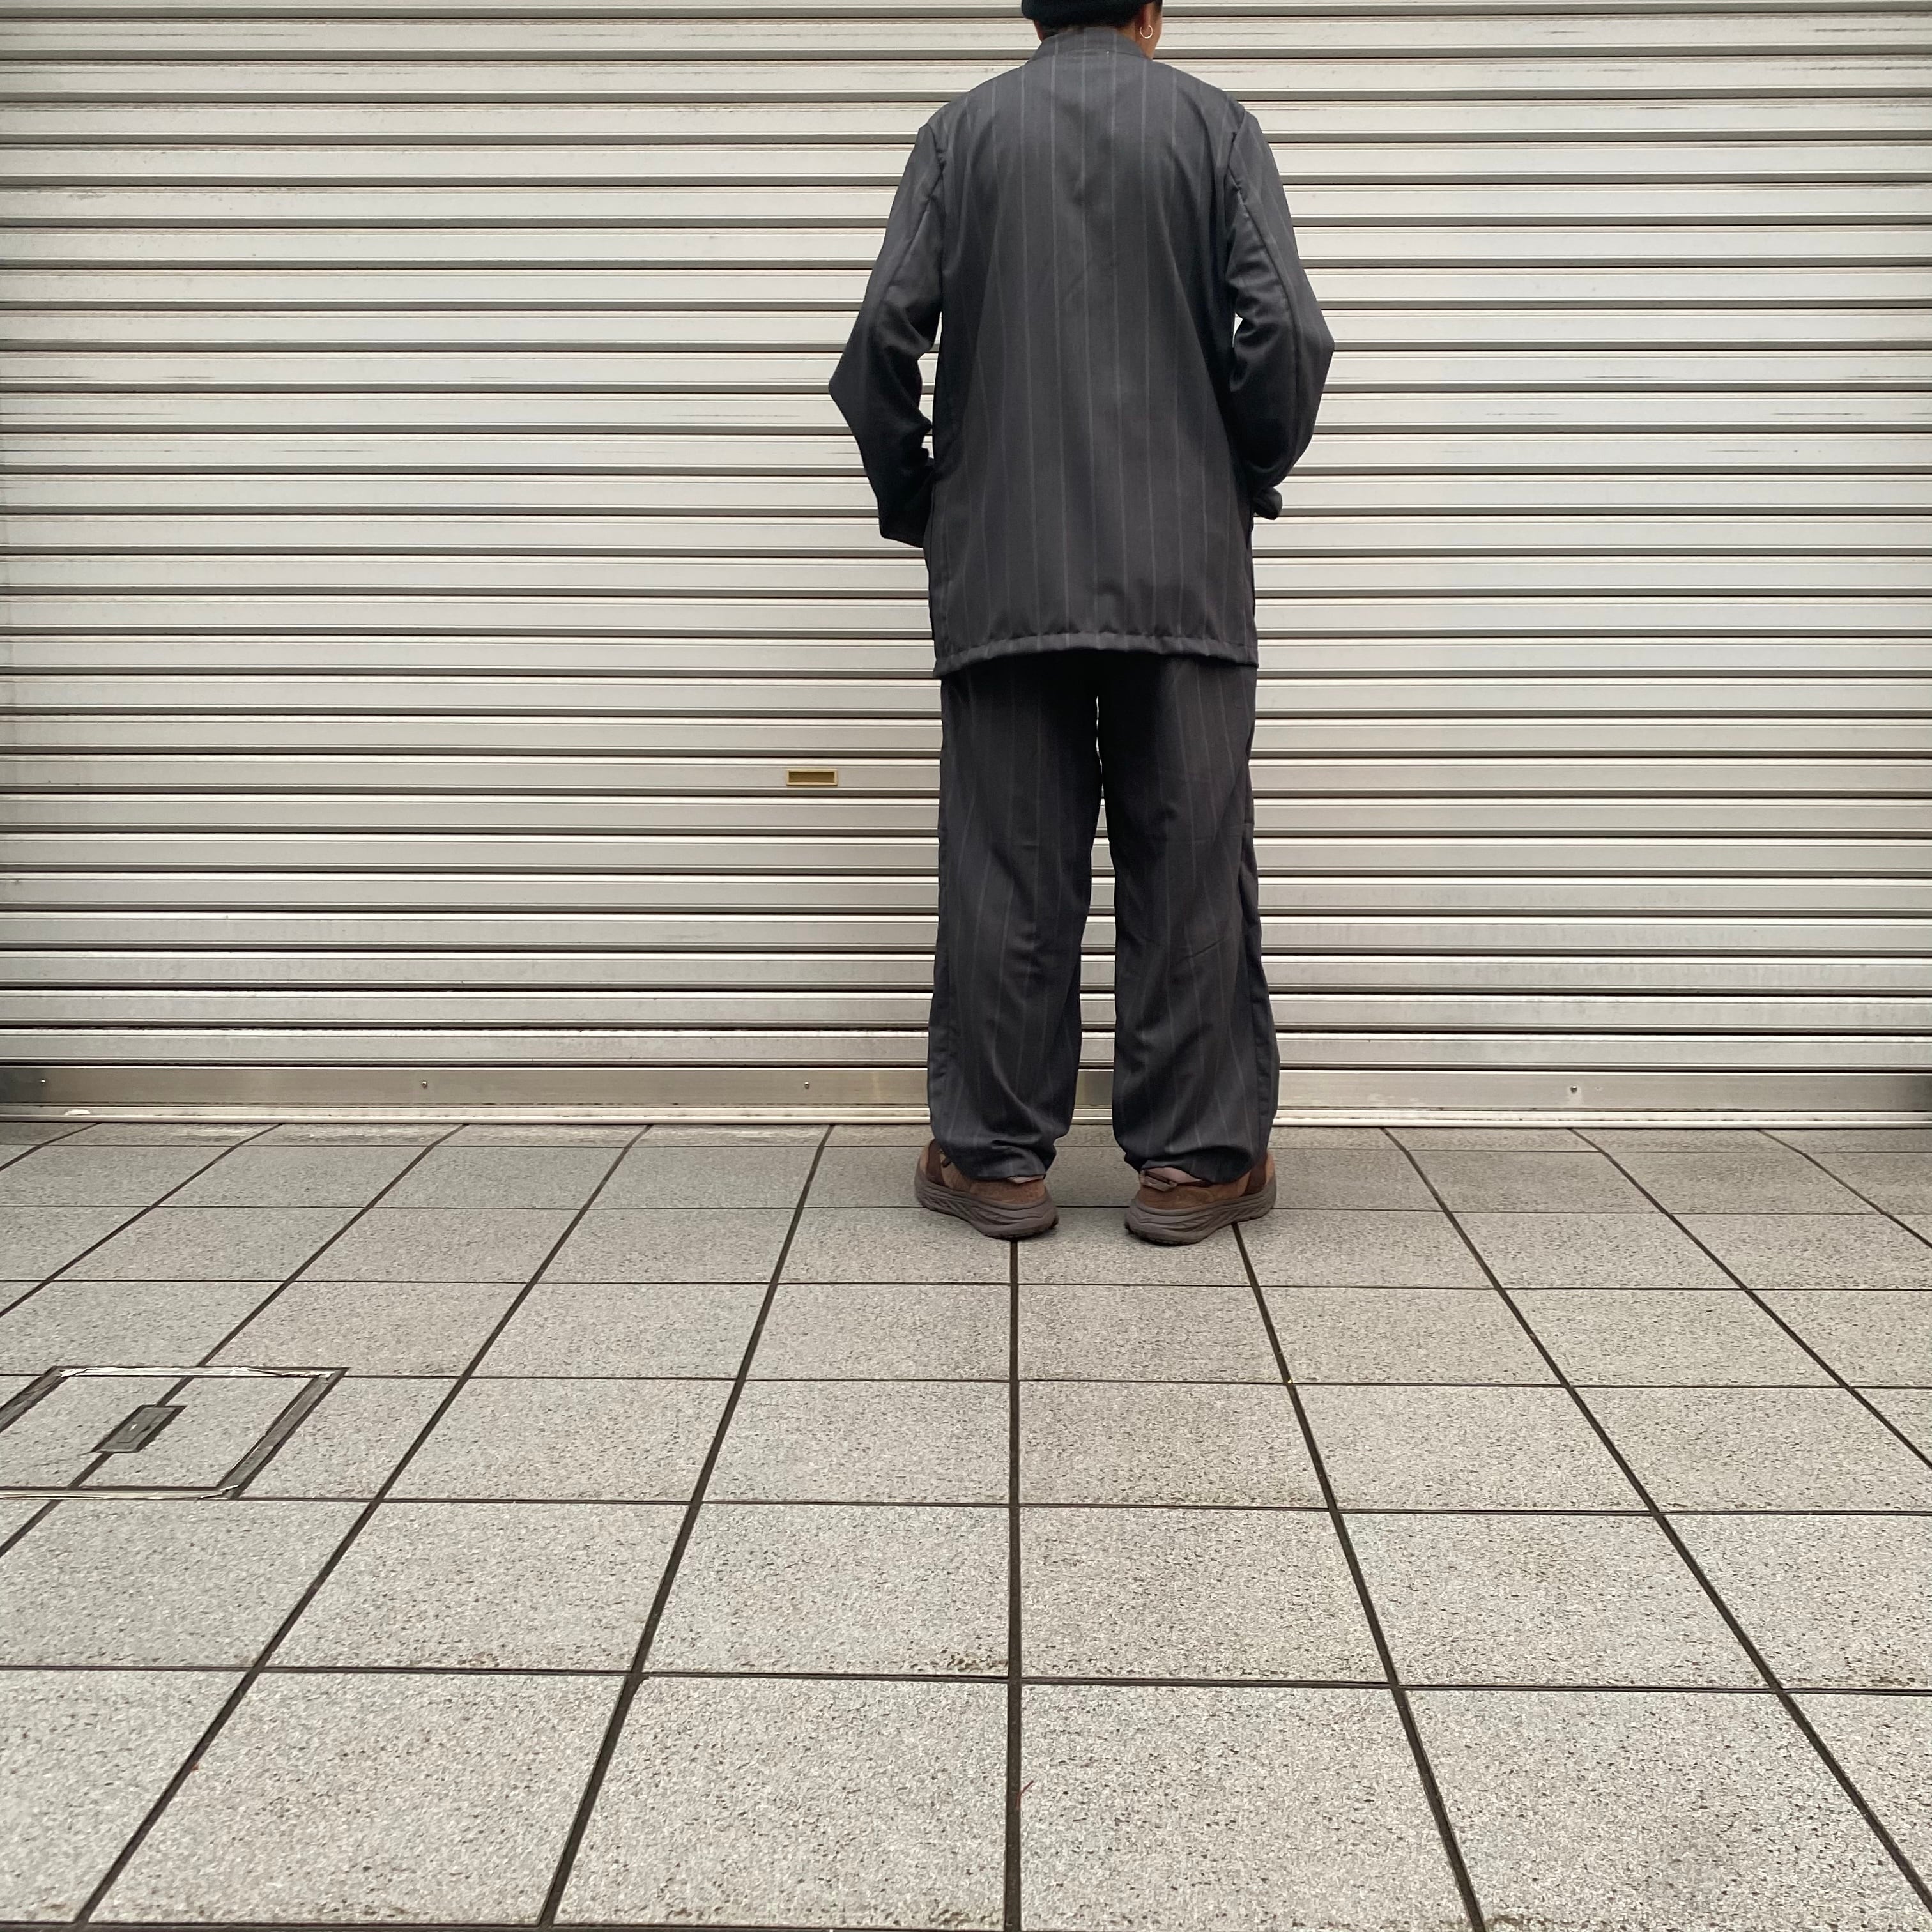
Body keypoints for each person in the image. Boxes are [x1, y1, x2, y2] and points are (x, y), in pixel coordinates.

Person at [831, 0, 1333, 1245]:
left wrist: (926, 502)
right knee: (1190, 866)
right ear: (1153, 12)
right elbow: (1287, 332)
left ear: (1031, 7)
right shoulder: (1216, 129)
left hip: (1008, 570)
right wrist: (1238, 474)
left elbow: (879, 340)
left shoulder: (962, 136)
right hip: (1184, 575)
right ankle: (1195, 1167)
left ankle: (996, 1163)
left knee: (1007, 870)